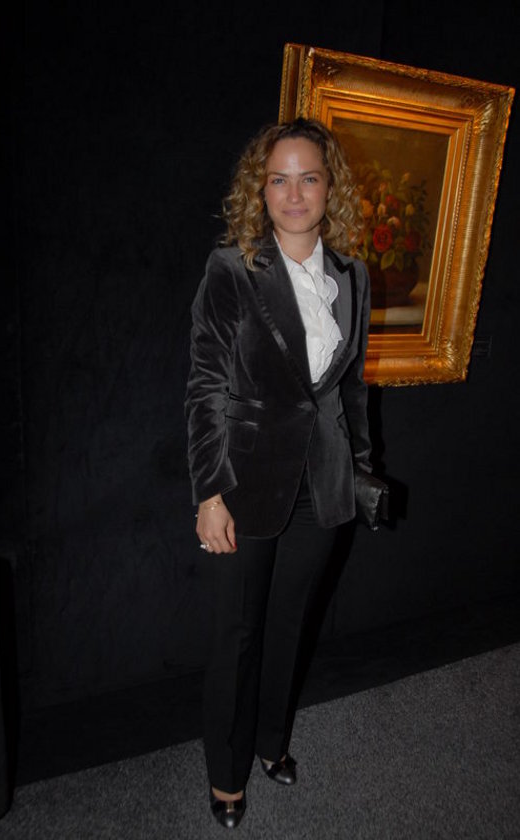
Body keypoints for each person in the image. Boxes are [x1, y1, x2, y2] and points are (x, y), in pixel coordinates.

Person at [185, 116, 373, 829]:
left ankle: (270, 743)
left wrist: (359, 471)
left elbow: (351, 389)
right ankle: (226, 774)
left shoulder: (352, 276)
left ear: (329, 188)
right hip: (244, 483)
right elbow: (205, 387)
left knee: (289, 626)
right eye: (278, 180)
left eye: (308, 178)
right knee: (237, 634)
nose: (294, 195)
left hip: (320, 486)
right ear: (258, 190)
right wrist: (208, 492)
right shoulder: (231, 269)